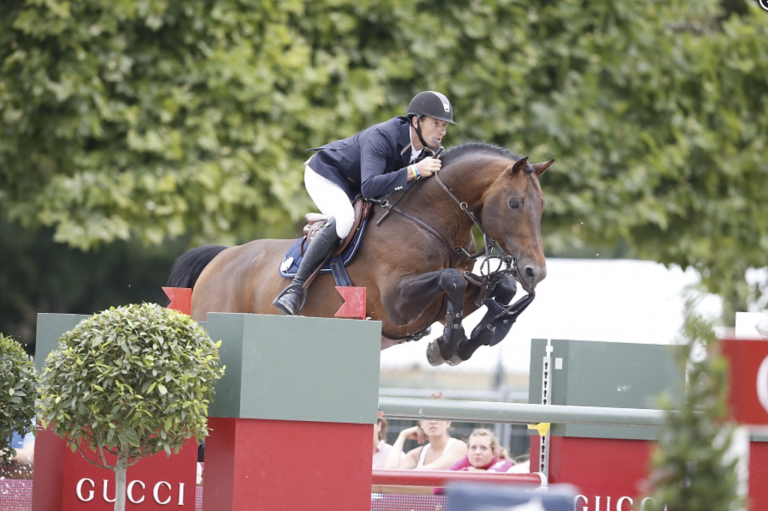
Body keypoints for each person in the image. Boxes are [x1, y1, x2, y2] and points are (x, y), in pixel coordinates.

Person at [273, 91, 456, 316]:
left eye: (445, 126)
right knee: (345, 220)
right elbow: (369, 186)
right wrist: (414, 171)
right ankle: (295, 289)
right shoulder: (384, 136)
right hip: (328, 174)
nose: (442, 131)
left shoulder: (429, 152)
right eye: (436, 123)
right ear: (416, 121)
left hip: (358, 187)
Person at [384, 394, 467, 470]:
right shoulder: (418, 454)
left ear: (448, 422)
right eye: (428, 416)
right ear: (421, 423)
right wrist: (402, 435)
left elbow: (430, 471)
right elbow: (389, 471)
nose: (433, 421)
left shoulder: (459, 447)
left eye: (439, 416)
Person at [448, 428, 514, 472]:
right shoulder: (467, 459)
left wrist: (471, 472)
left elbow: (489, 480)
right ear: (468, 451)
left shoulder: (504, 462)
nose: (477, 452)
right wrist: (467, 470)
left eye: (483, 448)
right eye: (473, 448)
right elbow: (439, 485)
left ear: (494, 454)